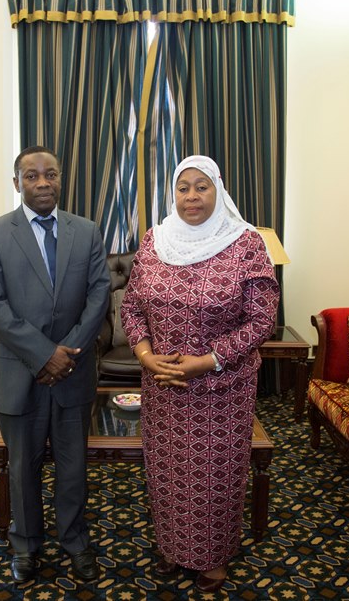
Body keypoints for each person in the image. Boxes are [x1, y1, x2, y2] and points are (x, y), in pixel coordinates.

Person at [121, 155, 280, 593]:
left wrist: (207, 360)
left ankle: (212, 557)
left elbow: (261, 320)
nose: (192, 196)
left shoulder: (246, 243)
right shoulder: (155, 240)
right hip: (164, 386)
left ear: (218, 190)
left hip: (221, 389)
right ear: (173, 193)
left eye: (202, 186)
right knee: (168, 474)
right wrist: (145, 355)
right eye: (183, 187)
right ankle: (174, 546)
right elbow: (131, 306)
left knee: (213, 477)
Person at [0, 146, 110, 584]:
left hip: (73, 371)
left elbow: (99, 295)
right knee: (22, 467)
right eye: (31, 176)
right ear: (17, 183)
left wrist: (67, 353)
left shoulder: (86, 231)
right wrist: (44, 355)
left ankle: (75, 542)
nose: (43, 182)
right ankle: (26, 545)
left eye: (50, 173)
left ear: (60, 179)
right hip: (18, 372)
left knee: (73, 467)